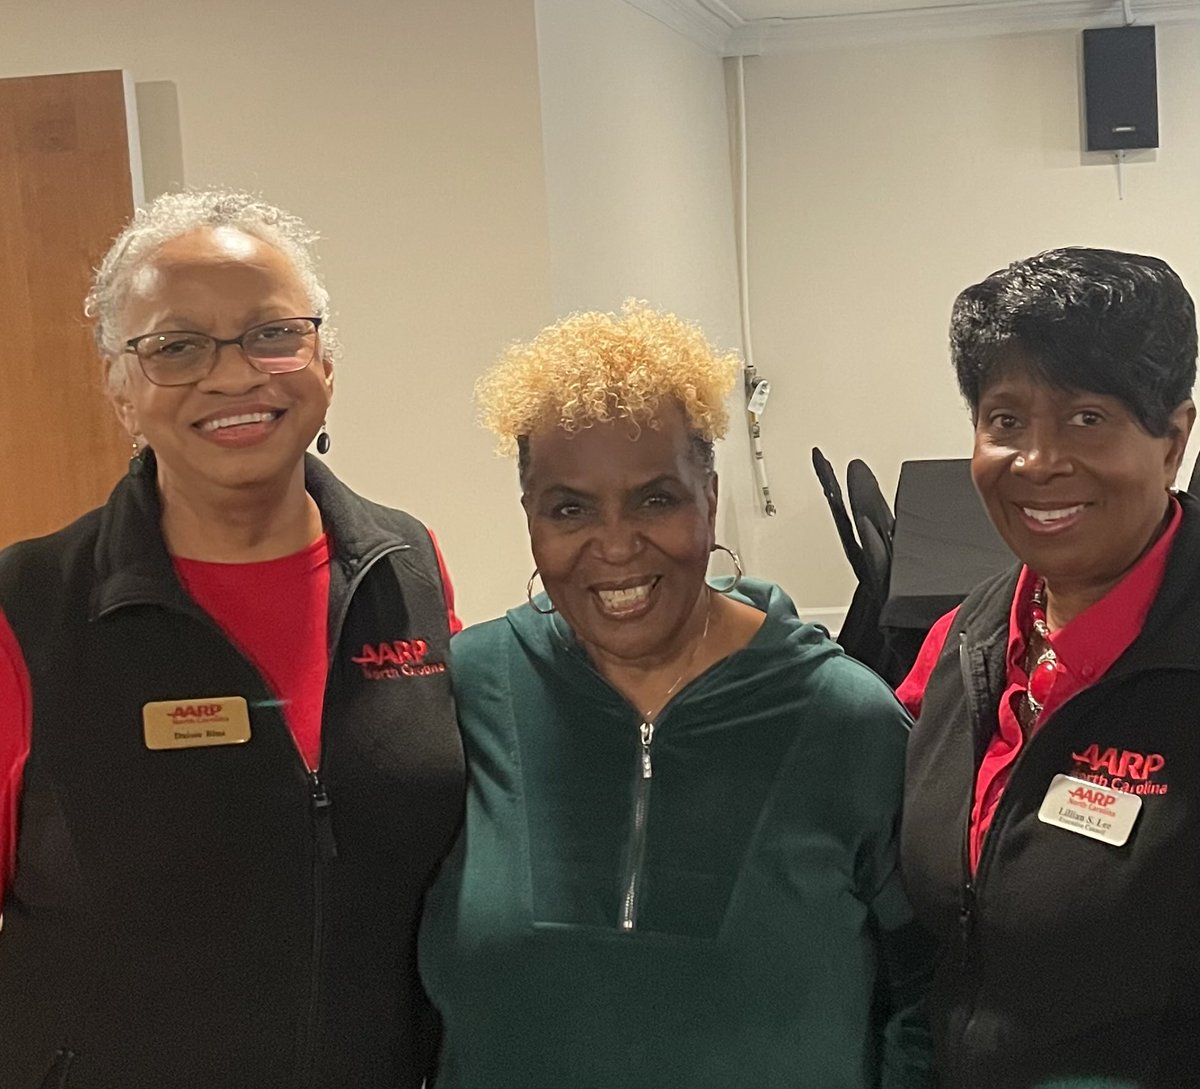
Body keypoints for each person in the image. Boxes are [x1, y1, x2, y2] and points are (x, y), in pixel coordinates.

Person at [0, 189, 465, 1089]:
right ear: (120, 388)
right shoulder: (27, 606)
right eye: (175, 346)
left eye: (272, 333)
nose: (235, 375)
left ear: (326, 358)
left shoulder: (408, 566)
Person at [419, 301, 934, 1089]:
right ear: (529, 516)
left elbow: (923, 999)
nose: (618, 545)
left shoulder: (843, 720)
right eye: (570, 508)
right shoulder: (465, 695)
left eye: (656, 498)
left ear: (711, 496)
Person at [899, 248, 1199, 1089]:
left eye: (1087, 418)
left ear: (1173, 439)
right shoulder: (966, 640)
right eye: (1005, 420)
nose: (1036, 461)